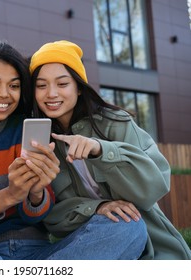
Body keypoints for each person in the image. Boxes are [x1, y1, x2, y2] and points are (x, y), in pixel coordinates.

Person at [0, 41, 146, 260]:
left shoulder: (28, 129)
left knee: (129, 226)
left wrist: (36, 193)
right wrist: (7, 197)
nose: (4, 94)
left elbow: (41, 216)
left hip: (42, 255)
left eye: (14, 86)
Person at [29, 40, 191, 259]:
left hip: (154, 251)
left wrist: (101, 150)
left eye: (62, 83)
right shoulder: (41, 142)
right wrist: (97, 207)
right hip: (95, 249)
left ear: (78, 88)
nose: (51, 93)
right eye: (41, 85)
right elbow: (53, 221)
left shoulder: (115, 123)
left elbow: (156, 185)